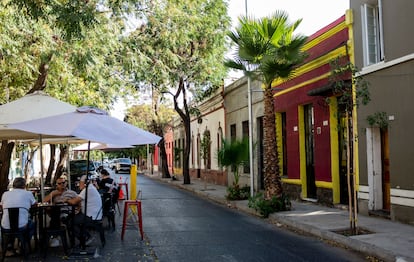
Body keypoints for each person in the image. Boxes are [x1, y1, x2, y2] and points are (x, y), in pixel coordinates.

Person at [0, 177, 37, 253]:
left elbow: (1, 207)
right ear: (24, 185)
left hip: (5, 226)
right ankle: (23, 244)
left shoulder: (5, 194)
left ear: (13, 185)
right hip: (21, 226)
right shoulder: (28, 193)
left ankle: (9, 245)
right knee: (32, 224)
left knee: (11, 223)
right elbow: (35, 205)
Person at [65, 174, 102, 246]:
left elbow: (74, 202)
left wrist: (66, 200)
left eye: (80, 182)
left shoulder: (87, 190)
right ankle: (84, 236)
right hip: (94, 214)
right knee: (72, 218)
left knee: (70, 222)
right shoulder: (91, 188)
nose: (79, 184)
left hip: (91, 216)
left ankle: (86, 238)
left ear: (85, 183)